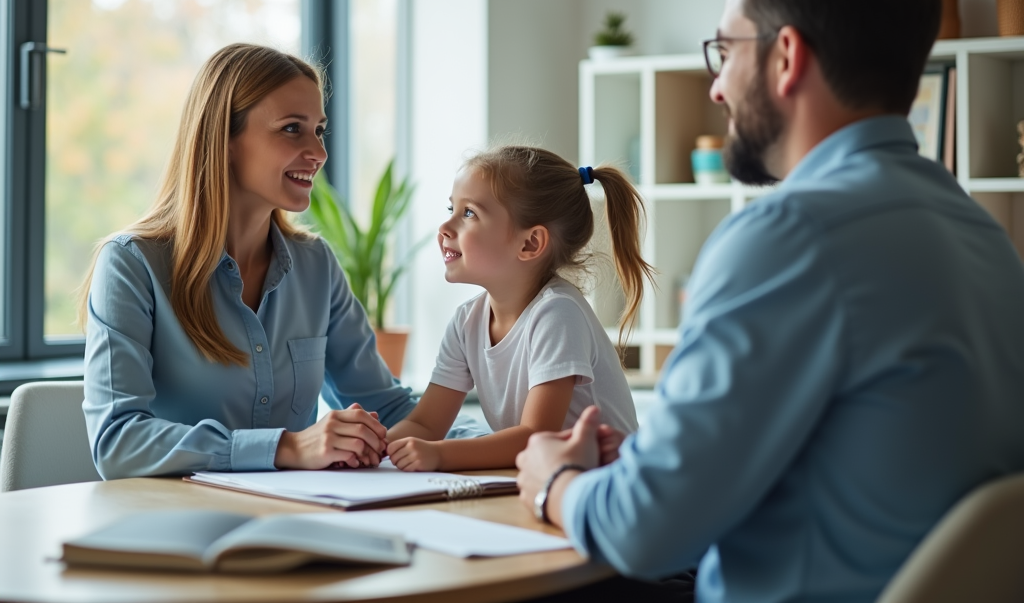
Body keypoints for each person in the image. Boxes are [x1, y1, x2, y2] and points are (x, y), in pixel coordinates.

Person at [516, 0, 1024, 603]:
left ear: (787, 56)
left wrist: (553, 480)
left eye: (725, 50)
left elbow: (646, 532)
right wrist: (643, 466)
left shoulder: (787, 238)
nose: (717, 86)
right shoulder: (982, 237)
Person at [81, 43, 415, 479]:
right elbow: (118, 442)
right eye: (292, 129)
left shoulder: (316, 266)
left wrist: (507, 444)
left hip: (291, 525)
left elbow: (386, 405)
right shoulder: (131, 265)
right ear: (225, 140)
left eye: (319, 130)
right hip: (174, 527)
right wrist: (287, 447)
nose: (319, 152)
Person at [384, 146, 650, 471]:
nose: (445, 227)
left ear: (530, 244)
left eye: (469, 214)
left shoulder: (557, 314)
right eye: (452, 208)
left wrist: (440, 454)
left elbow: (536, 437)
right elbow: (425, 426)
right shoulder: (466, 321)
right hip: (543, 478)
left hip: (603, 486)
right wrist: (379, 445)